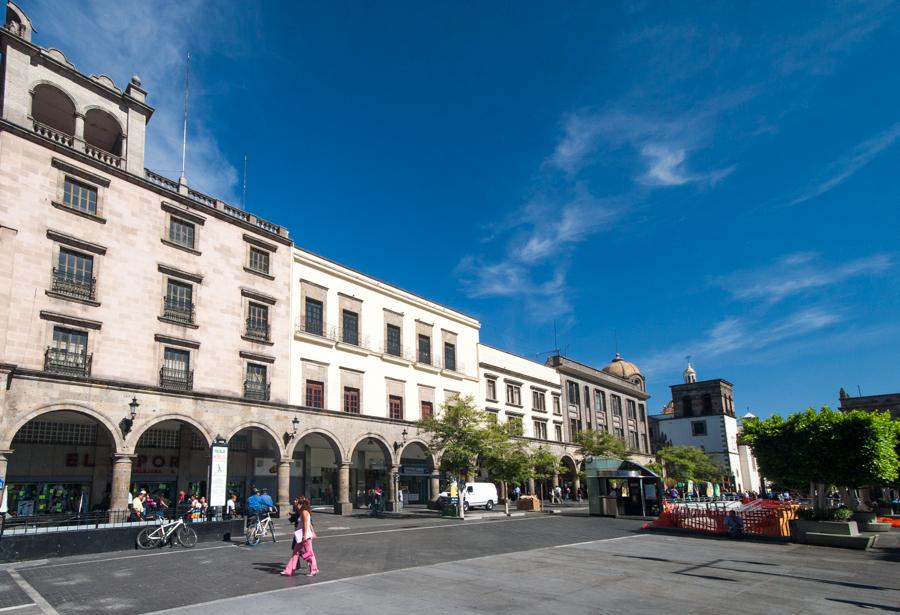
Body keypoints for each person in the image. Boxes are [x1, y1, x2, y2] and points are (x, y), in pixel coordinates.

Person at [281, 497, 307, 577]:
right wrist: (291, 515)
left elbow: (307, 522)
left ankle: (308, 560)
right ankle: (296, 565)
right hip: (298, 532)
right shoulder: (298, 510)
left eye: (296, 500)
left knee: (298, 549)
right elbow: (295, 517)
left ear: (299, 502)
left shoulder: (302, 511)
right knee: (295, 549)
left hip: (301, 533)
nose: (294, 501)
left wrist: (305, 534)